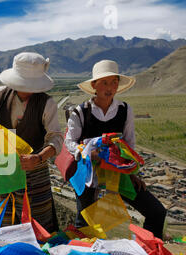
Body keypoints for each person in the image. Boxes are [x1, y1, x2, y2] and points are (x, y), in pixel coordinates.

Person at [0, 52, 64, 233]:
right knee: (3, 222)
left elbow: (56, 137)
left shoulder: (47, 104)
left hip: (34, 171)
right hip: (2, 168)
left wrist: (39, 157)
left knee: (38, 224)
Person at [64, 60, 167, 239]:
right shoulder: (80, 112)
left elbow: (129, 144)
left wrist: (132, 173)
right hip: (89, 175)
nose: (110, 87)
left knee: (156, 212)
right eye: (104, 82)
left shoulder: (125, 110)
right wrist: (88, 152)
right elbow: (70, 141)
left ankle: (150, 252)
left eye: (114, 82)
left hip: (118, 174)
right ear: (94, 85)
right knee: (84, 224)